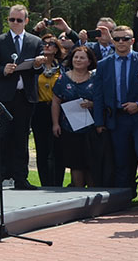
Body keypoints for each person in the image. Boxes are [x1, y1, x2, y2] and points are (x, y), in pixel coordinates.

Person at [92, 25, 138, 212]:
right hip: (117, 119)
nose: (121, 42)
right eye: (117, 39)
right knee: (121, 160)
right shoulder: (103, 65)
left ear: (132, 40)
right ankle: (123, 200)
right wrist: (99, 122)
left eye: (125, 38)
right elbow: (98, 95)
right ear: (112, 41)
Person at [0, 4, 45, 190]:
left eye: (19, 20)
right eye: (12, 19)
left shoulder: (35, 41)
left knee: (21, 139)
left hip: (25, 97)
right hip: (4, 97)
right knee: (0, 138)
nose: (15, 23)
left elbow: (40, 69)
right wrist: (3, 70)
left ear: (26, 21)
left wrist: (37, 64)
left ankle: (21, 178)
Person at [52, 46, 98, 187]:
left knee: (91, 165)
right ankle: (78, 192)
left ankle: (92, 195)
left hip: (91, 129)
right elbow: (56, 102)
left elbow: (103, 100)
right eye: (75, 57)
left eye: (82, 57)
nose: (78, 60)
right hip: (69, 128)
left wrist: (92, 104)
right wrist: (55, 124)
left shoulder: (96, 78)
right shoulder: (62, 79)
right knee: (75, 164)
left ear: (89, 61)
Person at [32, 34, 64, 187]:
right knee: (42, 149)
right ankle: (45, 183)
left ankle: (57, 183)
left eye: (51, 44)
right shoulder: (35, 67)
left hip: (59, 109)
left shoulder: (63, 67)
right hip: (39, 109)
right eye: (44, 43)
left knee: (58, 149)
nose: (47, 46)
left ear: (57, 48)